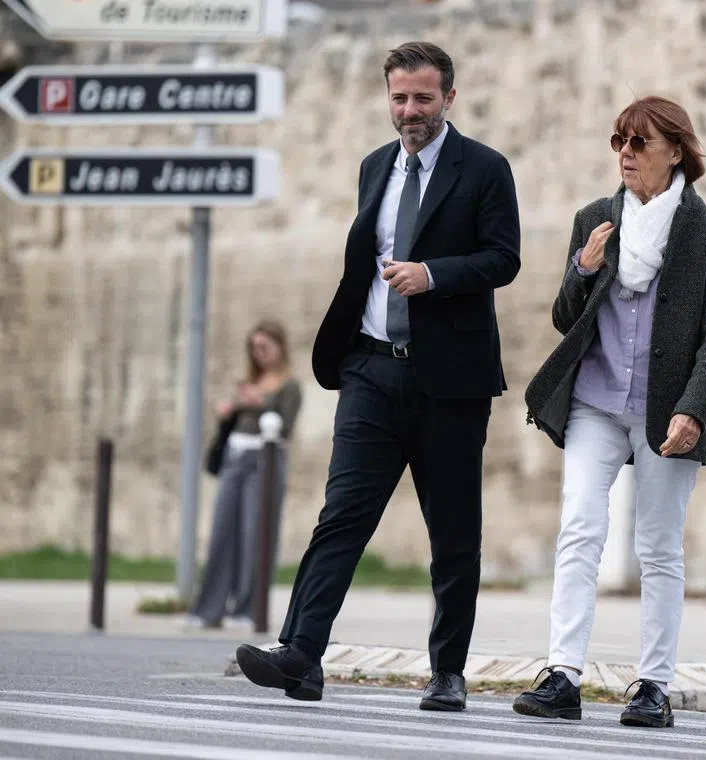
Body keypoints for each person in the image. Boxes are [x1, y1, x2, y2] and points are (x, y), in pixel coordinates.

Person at [233, 41, 521, 711]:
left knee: (453, 532)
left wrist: (434, 275)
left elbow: (503, 258)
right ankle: (301, 654)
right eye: (399, 98)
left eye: (423, 98)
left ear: (449, 98)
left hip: (448, 381)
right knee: (341, 517)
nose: (409, 110)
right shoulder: (374, 168)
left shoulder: (483, 168)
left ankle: (448, 670)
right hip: (369, 368)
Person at [517, 96, 706, 729]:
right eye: (619, 142)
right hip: (594, 403)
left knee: (659, 547)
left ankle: (653, 687)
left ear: (675, 150)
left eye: (639, 143)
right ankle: (562, 675)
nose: (627, 155)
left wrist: (694, 409)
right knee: (581, 528)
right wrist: (583, 268)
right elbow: (564, 318)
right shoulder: (595, 219)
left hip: (666, 415)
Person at [188, 320, 302, 630]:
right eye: (254, 347)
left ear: (280, 345)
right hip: (235, 456)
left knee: (256, 534)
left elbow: (285, 428)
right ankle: (208, 610)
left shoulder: (289, 385)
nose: (258, 353)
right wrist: (232, 407)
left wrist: (261, 404)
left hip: (265, 459)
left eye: (264, 346)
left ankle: (248, 609)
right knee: (222, 533)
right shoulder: (252, 380)